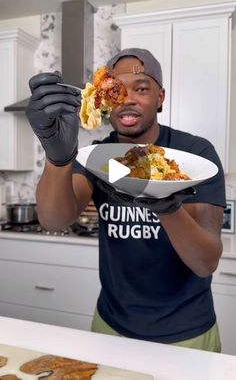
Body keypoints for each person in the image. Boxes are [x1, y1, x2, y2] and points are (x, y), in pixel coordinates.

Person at [26, 48, 226, 352]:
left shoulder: (194, 155)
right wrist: (57, 156)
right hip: (111, 328)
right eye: (116, 90)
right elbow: (54, 219)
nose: (127, 99)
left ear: (160, 98)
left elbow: (205, 262)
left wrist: (167, 205)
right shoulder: (96, 157)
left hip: (187, 334)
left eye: (141, 88)